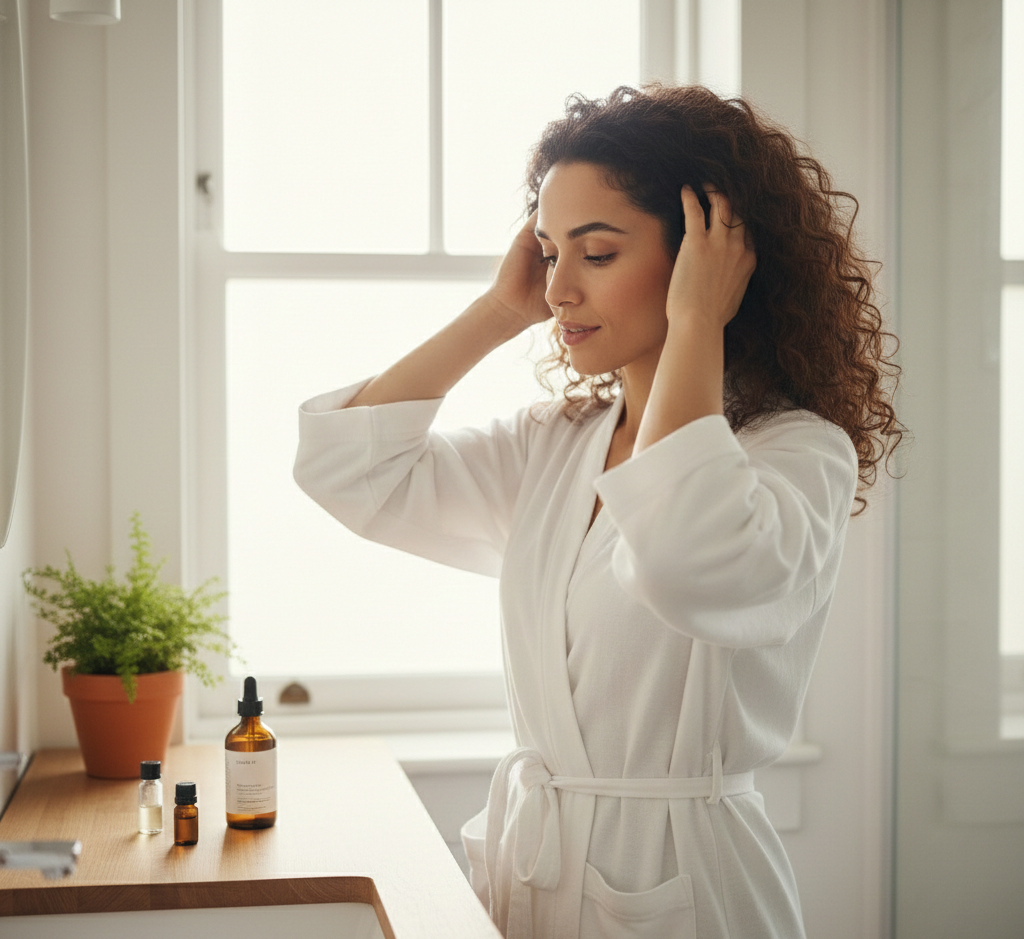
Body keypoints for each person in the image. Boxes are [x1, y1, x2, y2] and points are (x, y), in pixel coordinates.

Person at [294, 84, 902, 939]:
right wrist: (497, 311)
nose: (557, 290)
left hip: (688, 887)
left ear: (706, 257)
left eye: (599, 252)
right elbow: (347, 468)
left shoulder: (796, 454)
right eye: (549, 254)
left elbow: (685, 560)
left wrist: (697, 321)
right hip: (535, 872)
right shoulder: (555, 443)